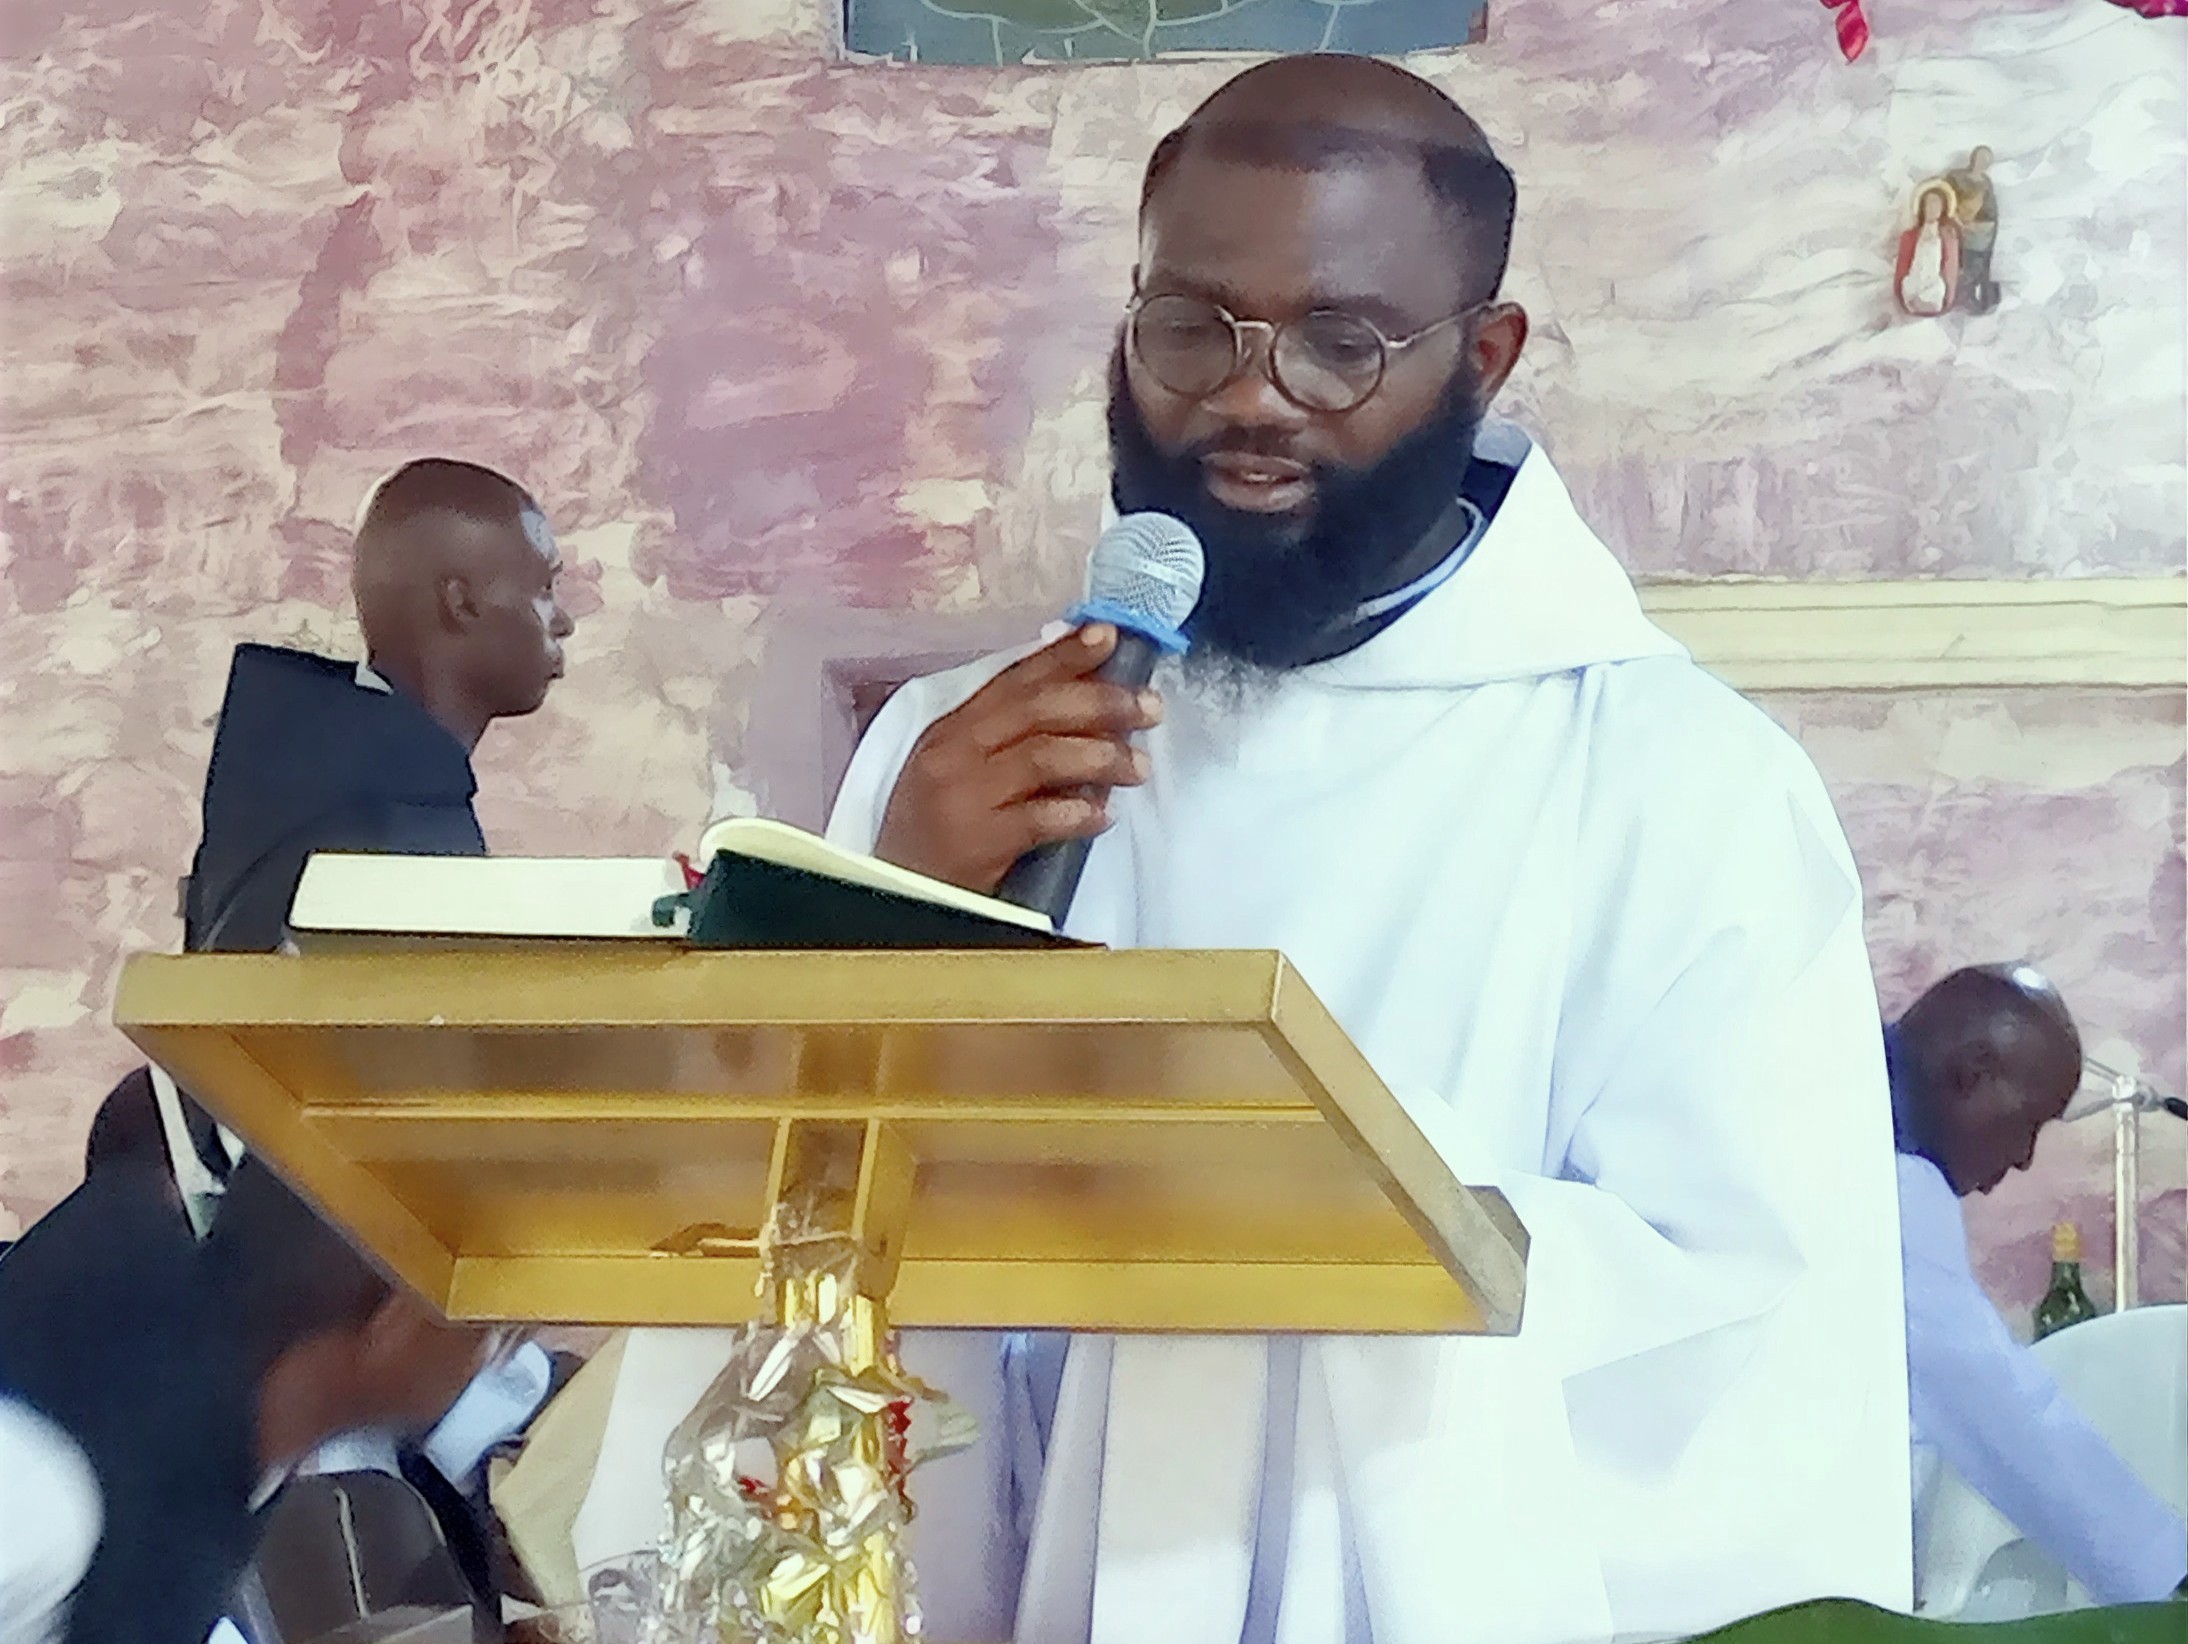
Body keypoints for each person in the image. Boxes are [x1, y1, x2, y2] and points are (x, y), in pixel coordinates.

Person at [826, 53, 1909, 1644]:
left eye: (1340, 344)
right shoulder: (958, 749)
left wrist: (1292, 1208)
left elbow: (1742, 1336)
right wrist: (889, 917)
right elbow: (789, 1242)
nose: (1249, 396)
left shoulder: (1688, 788)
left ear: (1487, 355)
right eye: (1190, 325)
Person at [0, 1158, 500, 1644]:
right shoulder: (44, 1501)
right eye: (487, 1326)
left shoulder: (251, 1415)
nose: (495, 1353)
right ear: (399, 1321)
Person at [1888, 964, 2188, 1605]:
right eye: (2030, 1122)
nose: (2024, 1158)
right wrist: (2171, 1572)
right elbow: (1993, 1404)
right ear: (1972, 1072)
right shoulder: (1890, 1181)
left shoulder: (1831, 1103)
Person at [1895, 185, 1961, 317]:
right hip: (1913, 285)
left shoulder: (1948, 237)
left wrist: (1948, 297)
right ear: (1922, 207)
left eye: (1936, 204)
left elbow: (1950, 268)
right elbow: (1903, 265)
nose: (1932, 208)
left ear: (1943, 208)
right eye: (1928, 204)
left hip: (1934, 288)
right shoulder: (1910, 236)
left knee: (1934, 293)